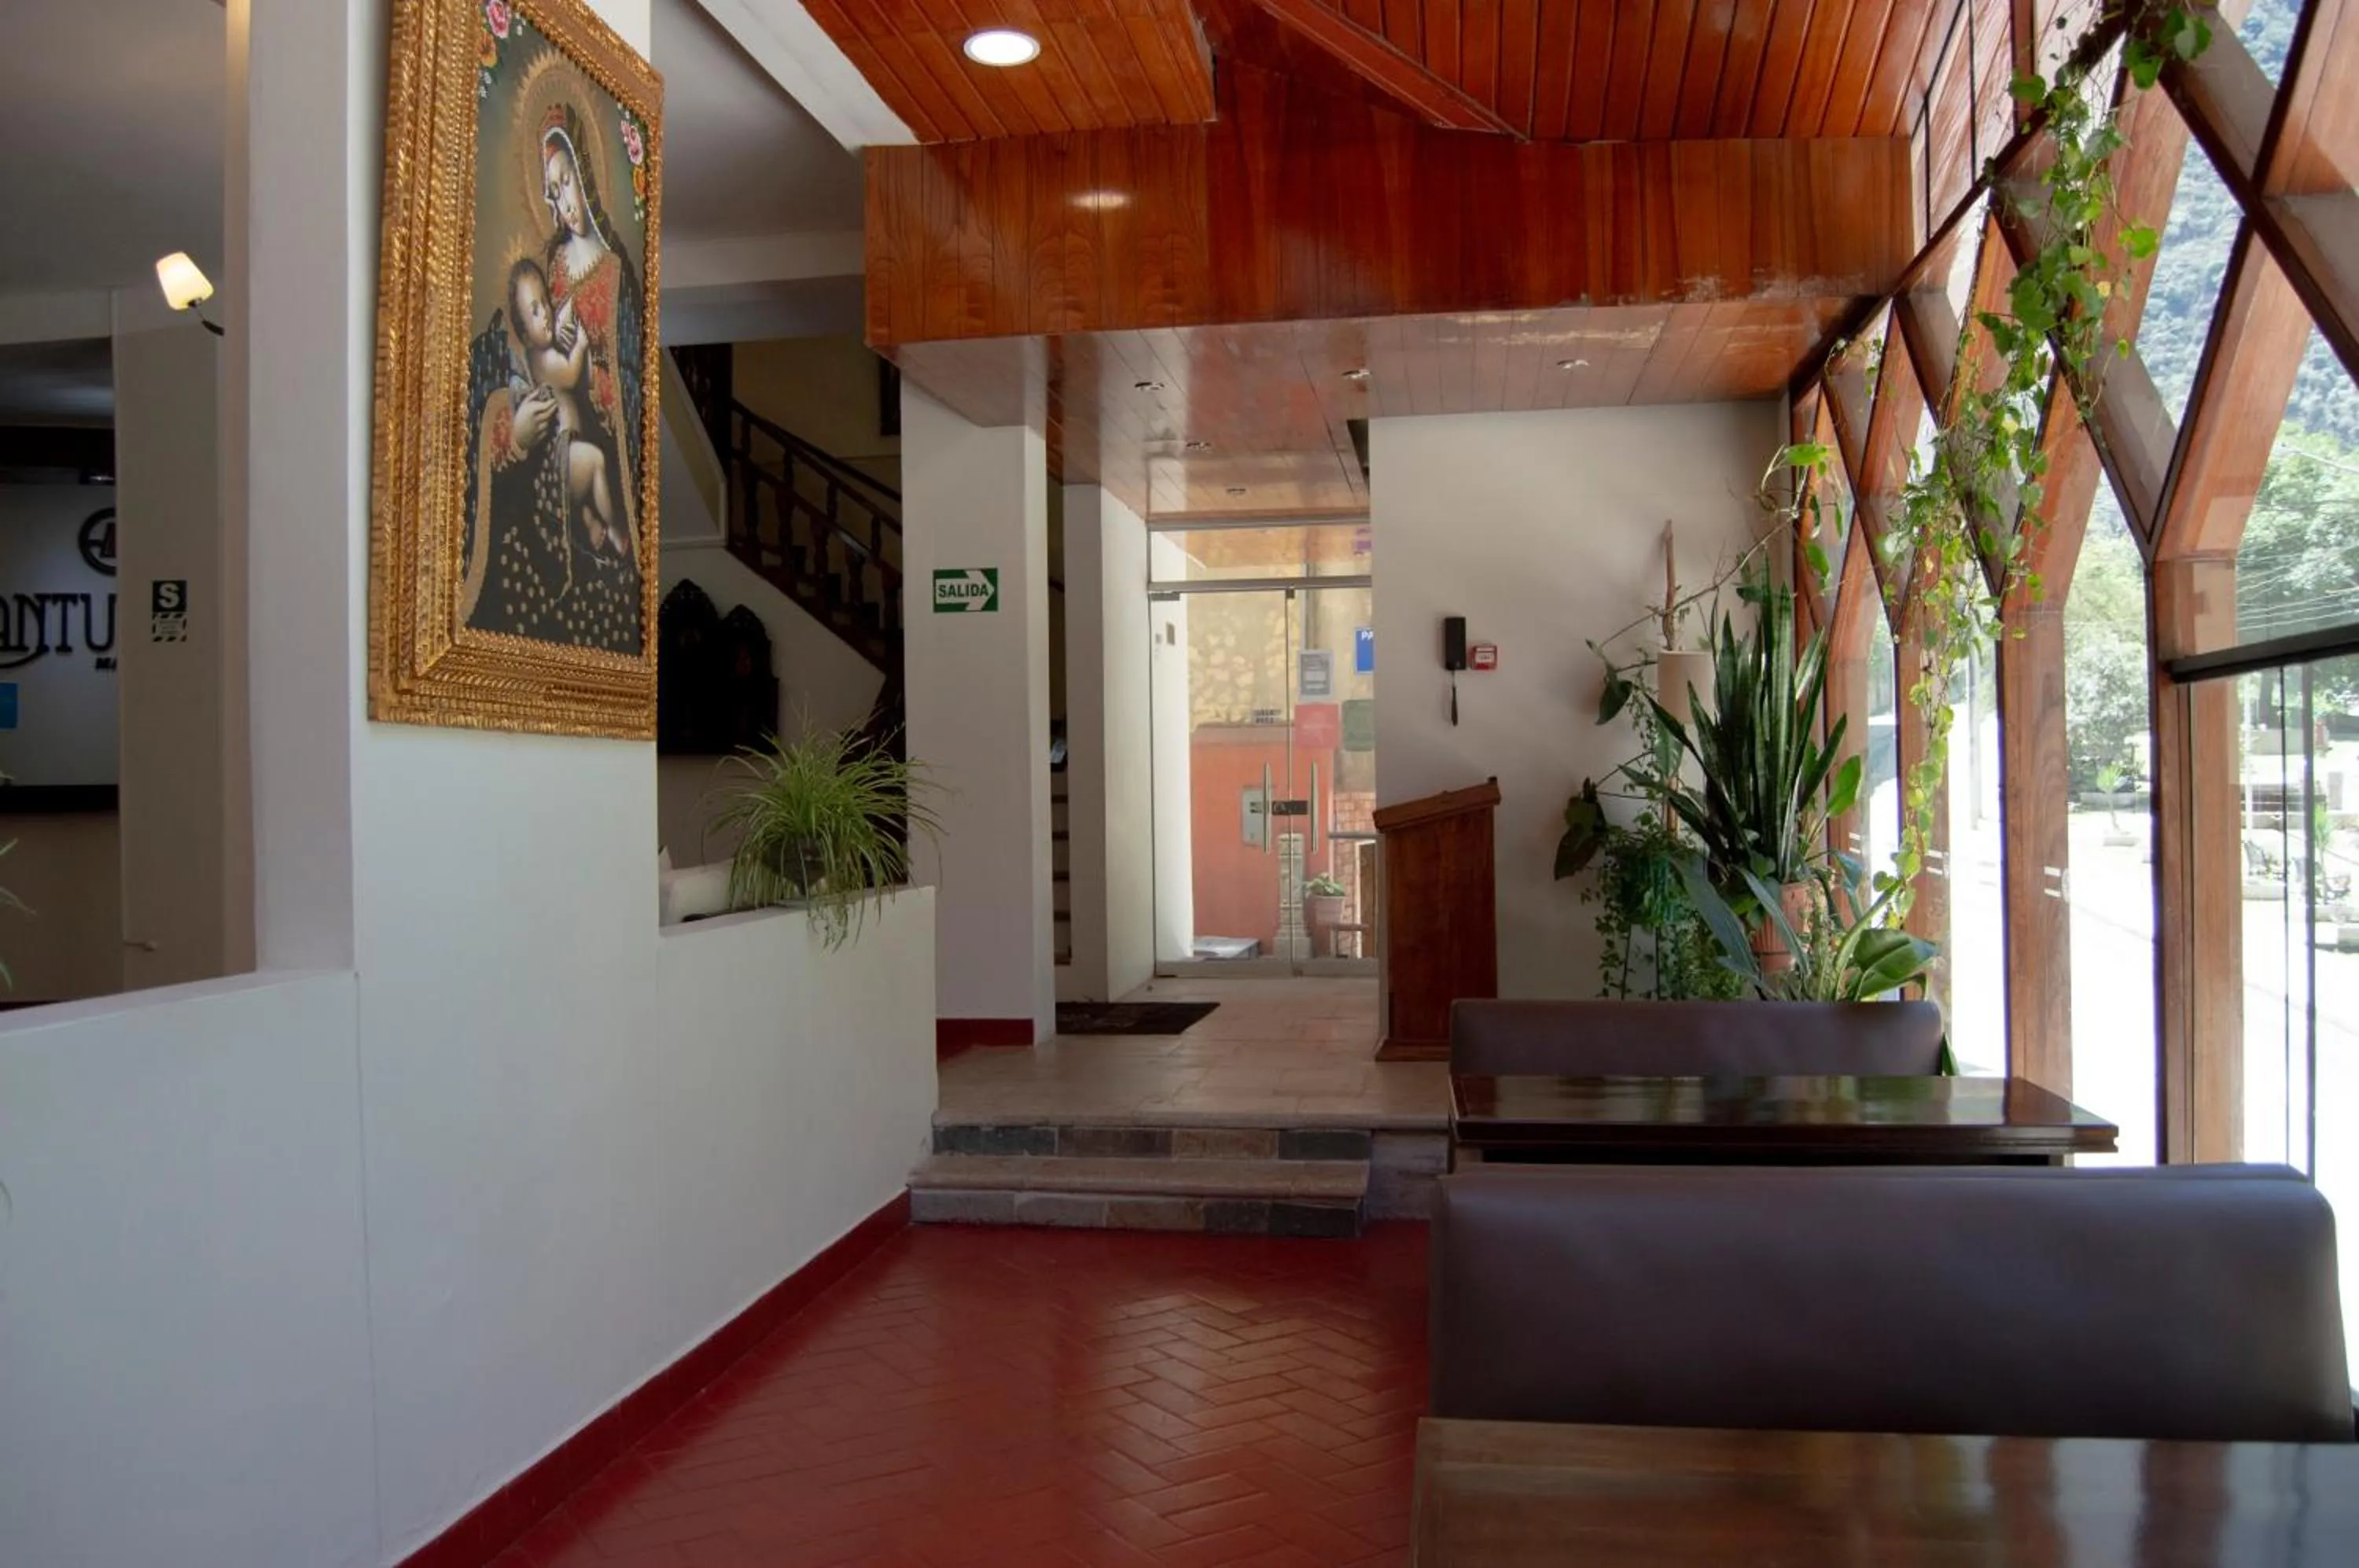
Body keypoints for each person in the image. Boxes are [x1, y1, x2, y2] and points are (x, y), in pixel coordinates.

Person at [506, 257, 621, 554]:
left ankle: (588, 519)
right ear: (523, 336)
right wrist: (581, 346)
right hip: (558, 462)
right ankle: (617, 532)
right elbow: (570, 374)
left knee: (583, 498)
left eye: (545, 301)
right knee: (596, 461)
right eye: (534, 311)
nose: (545, 312)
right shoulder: (541, 359)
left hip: (567, 455)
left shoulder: (543, 352)